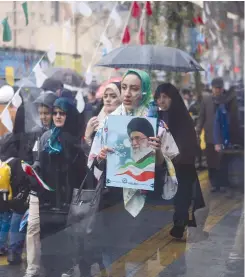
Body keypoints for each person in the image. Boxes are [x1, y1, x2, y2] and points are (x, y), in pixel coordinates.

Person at [84, 70, 179, 276]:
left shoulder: (157, 126)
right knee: (112, 256)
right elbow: (94, 163)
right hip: (112, 201)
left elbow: (169, 169)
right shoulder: (109, 123)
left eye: (134, 88)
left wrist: (158, 154)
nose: (127, 93)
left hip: (144, 205)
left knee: (138, 258)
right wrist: (101, 157)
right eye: (124, 87)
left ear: (144, 93)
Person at [35, 97, 87, 277]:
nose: (57, 116)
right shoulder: (46, 137)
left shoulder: (75, 141)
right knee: (48, 244)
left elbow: (81, 172)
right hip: (48, 200)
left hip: (68, 201)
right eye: (55, 113)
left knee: (66, 244)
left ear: (69, 115)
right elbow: (39, 163)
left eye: (62, 113)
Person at [155, 83, 205, 239]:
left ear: (173, 98)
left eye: (165, 97)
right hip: (163, 161)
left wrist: (177, 156)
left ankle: (179, 223)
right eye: (158, 97)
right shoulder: (157, 116)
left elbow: (187, 140)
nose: (161, 101)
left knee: (182, 194)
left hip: (181, 163)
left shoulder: (182, 116)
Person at [24, 92, 57, 277]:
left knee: (55, 229)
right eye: (41, 112)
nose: (44, 117)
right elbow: (30, 156)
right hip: (37, 190)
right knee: (33, 227)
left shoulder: (61, 134)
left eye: (47, 112)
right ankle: (33, 268)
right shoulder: (36, 133)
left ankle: (58, 267)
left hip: (56, 192)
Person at [196, 77, 242, 192]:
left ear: (222, 89)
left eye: (219, 88)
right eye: (215, 88)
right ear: (212, 88)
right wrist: (198, 130)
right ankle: (214, 184)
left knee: (221, 161)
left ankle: (222, 183)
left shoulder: (227, 100)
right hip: (209, 136)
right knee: (211, 161)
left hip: (222, 137)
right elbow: (201, 117)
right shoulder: (206, 100)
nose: (217, 90)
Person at [84, 82, 121, 148]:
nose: (108, 100)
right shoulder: (96, 119)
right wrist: (87, 136)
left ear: (121, 98)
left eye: (113, 96)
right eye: (105, 96)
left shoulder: (125, 121)